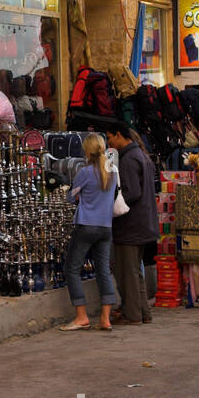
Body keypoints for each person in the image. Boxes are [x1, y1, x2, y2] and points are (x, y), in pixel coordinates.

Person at [60, 133, 118, 332]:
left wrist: (73, 192)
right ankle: (105, 318)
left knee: (72, 268)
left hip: (86, 225)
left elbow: (71, 197)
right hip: (105, 226)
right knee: (103, 270)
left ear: (87, 151)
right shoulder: (112, 171)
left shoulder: (85, 172)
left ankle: (81, 316)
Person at [107, 125, 159, 325]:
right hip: (142, 224)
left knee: (127, 272)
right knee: (135, 272)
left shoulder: (128, 159)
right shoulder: (140, 155)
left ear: (119, 135)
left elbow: (131, 193)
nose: (109, 144)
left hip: (131, 225)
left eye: (110, 138)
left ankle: (133, 314)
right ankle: (143, 313)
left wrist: (111, 207)